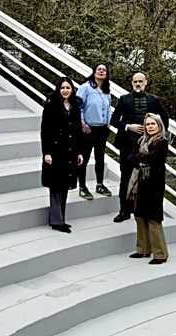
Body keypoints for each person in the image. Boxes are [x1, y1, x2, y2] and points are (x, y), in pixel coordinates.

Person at [110, 72, 169, 223]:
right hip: (127, 146)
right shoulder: (124, 99)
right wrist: (129, 126)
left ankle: (141, 210)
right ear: (132, 83)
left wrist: (158, 137)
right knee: (125, 178)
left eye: (140, 81)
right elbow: (114, 120)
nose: (138, 84)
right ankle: (124, 211)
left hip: (148, 147)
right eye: (135, 81)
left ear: (146, 82)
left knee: (147, 179)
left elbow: (164, 118)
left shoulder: (153, 100)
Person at [41, 76, 84, 232]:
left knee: (65, 185)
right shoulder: (51, 106)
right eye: (62, 88)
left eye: (68, 88)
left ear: (72, 90)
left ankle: (61, 218)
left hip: (70, 151)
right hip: (55, 151)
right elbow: (45, 130)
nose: (65, 90)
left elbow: (78, 129)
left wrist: (79, 151)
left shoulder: (75, 106)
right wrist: (47, 152)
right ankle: (56, 221)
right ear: (58, 90)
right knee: (55, 185)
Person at [127, 113, 169, 264]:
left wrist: (139, 157)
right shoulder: (141, 140)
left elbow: (155, 159)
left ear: (159, 126)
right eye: (148, 124)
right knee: (139, 215)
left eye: (153, 124)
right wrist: (140, 157)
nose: (150, 127)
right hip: (140, 183)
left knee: (153, 218)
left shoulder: (162, 142)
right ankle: (143, 249)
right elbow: (130, 158)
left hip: (154, 185)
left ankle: (160, 254)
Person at [76, 63, 113, 200]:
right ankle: (82, 187)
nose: (102, 71)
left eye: (104, 70)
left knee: (100, 158)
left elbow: (109, 109)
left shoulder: (106, 91)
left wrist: (108, 123)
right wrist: (82, 123)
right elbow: (77, 107)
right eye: (99, 69)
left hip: (102, 130)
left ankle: (99, 184)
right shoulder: (85, 88)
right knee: (83, 158)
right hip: (88, 129)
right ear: (94, 72)